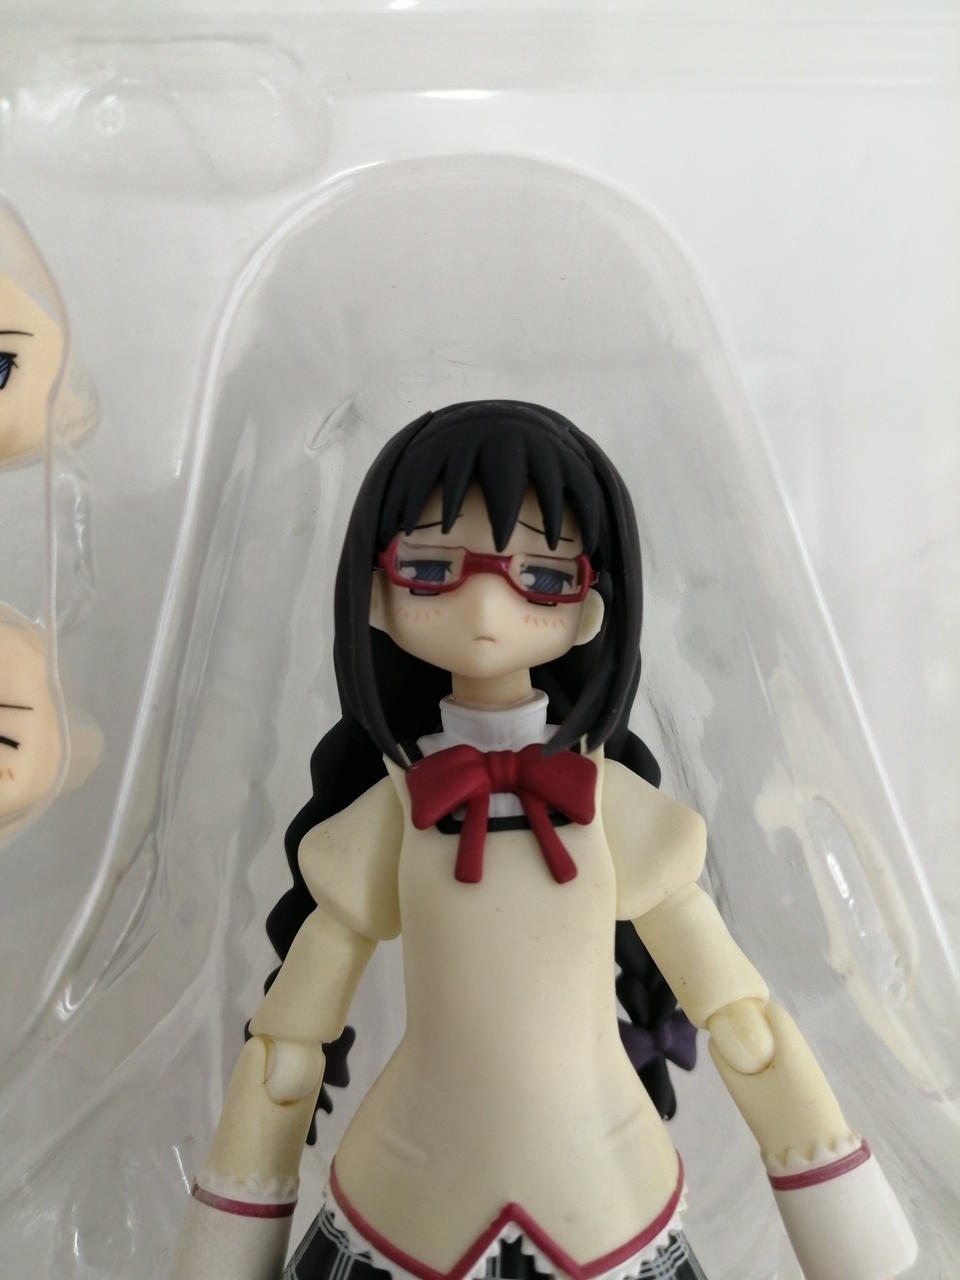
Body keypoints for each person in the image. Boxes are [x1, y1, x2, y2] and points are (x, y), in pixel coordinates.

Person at [170, 401, 916, 1280]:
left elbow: (742, 1023)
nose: (487, 605)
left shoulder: (610, 806)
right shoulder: (396, 812)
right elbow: (288, 1052)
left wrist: (839, 1209)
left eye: (542, 577)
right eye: (430, 569)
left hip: (606, 1187)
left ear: (590, 608)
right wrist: (230, 1236)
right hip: (410, 1193)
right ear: (375, 595)